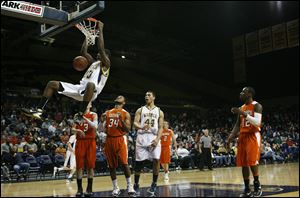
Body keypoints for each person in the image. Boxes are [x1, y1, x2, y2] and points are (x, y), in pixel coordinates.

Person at [21, 20, 111, 120]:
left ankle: (80, 114)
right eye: (99, 54)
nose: (98, 54)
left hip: (91, 92)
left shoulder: (106, 65)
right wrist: (87, 36)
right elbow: (83, 52)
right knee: (52, 84)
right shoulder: (94, 62)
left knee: (90, 84)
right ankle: (38, 110)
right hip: (80, 88)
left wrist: (100, 29)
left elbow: (101, 49)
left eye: (102, 54)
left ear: (106, 56)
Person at [227, 87, 263, 197]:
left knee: (252, 162)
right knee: (243, 163)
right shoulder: (241, 107)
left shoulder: (257, 105)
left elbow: (257, 123)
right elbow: (237, 125)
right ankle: (247, 188)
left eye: (243, 91)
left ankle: (257, 186)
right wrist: (230, 137)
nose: (241, 93)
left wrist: (244, 113)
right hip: (242, 136)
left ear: (250, 94)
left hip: (253, 135)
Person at [102, 95, 135, 196]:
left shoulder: (126, 114)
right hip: (109, 139)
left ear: (124, 102)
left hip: (120, 139)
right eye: (118, 97)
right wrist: (102, 121)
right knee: (111, 166)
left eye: (121, 97)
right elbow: (103, 129)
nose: (118, 97)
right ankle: (115, 187)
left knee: (124, 163)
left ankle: (130, 185)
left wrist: (121, 120)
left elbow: (128, 129)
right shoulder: (107, 113)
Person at [133, 91, 164, 196]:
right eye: (145, 95)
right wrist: (141, 126)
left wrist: (157, 139)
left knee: (156, 160)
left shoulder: (159, 111)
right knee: (139, 163)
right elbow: (135, 123)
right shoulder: (140, 109)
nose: (146, 96)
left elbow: (160, 127)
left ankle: (154, 184)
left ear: (154, 97)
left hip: (153, 137)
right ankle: (136, 185)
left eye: (149, 95)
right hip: (142, 137)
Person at [72, 102, 98, 197]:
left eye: (89, 102)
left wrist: (84, 118)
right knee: (79, 166)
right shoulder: (77, 115)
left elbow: (95, 126)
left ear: (90, 105)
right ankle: (79, 189)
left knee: (90, 166)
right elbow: (72, 129)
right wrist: (78, 130)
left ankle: (89, 188)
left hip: (91, 141)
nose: (87, 103)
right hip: (80, 141)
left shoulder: (93, 115)